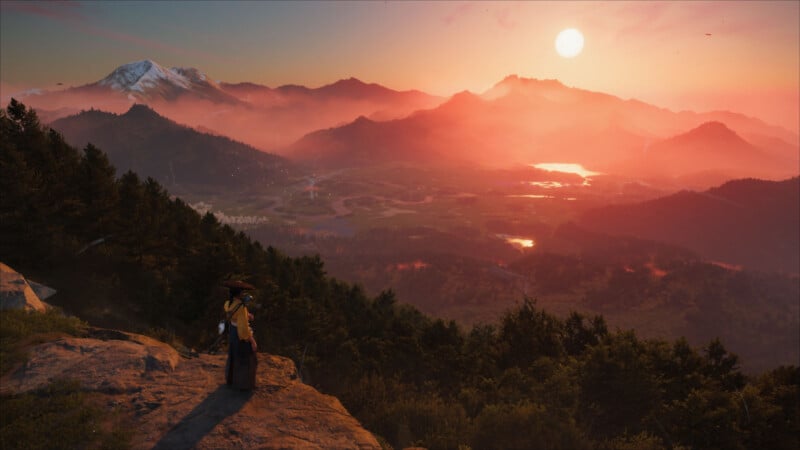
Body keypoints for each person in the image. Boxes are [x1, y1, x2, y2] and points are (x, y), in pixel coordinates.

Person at [223, 281, 258, 389]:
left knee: (233, 356)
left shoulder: (228, 303)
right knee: (246, 358)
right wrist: (251, 340)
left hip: (233, 332)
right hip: (239, 334)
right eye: (242, 292)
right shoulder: (241, 306)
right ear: (239, 294)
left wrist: (247, 315)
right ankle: (243, 385)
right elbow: (243, 328)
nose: (243, 294)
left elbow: (235, 315)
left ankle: (231, 380)